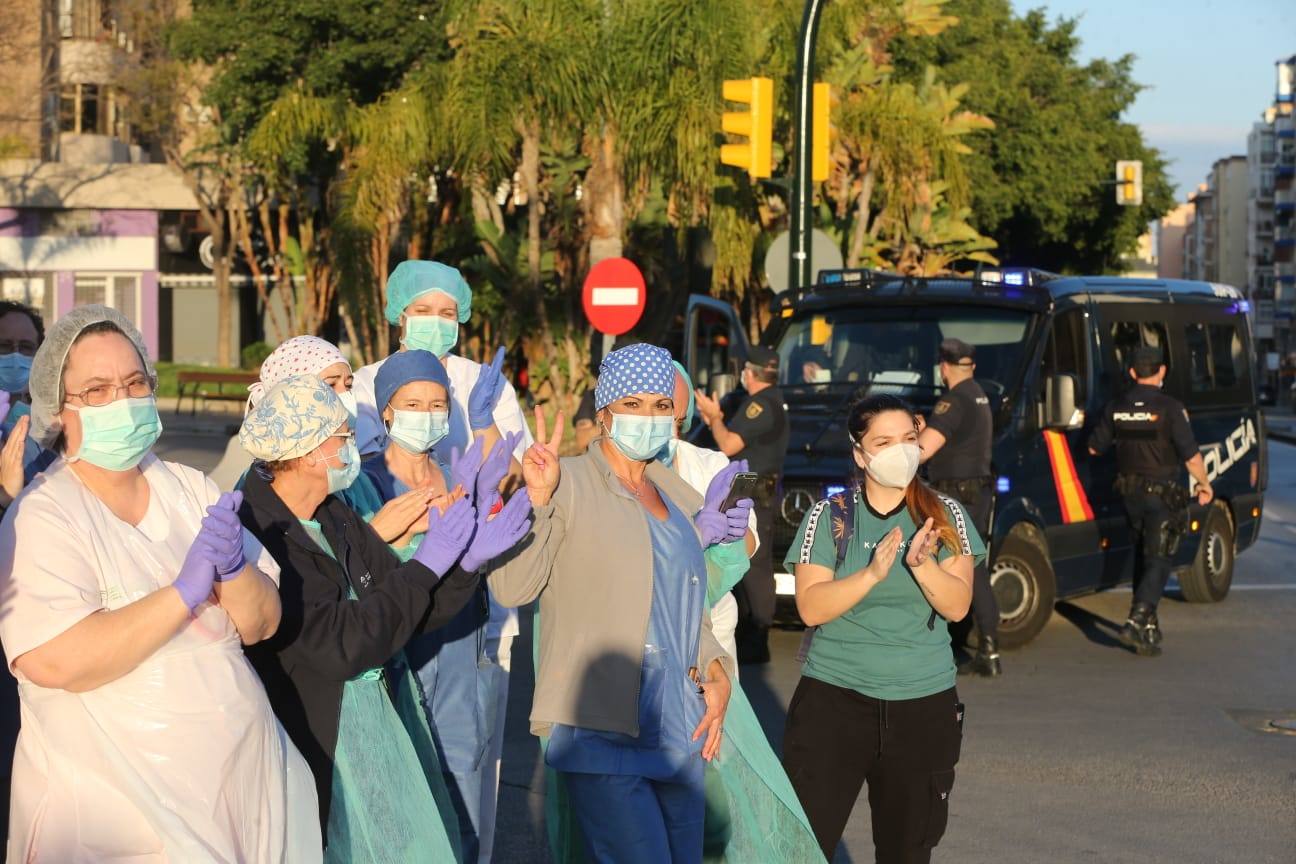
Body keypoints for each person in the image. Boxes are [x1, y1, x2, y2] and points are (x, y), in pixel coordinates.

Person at [0, 304, 320, 862]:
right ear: (60, 409)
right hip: (118, 818)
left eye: (133, 383)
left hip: (240, 791)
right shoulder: (43, 516)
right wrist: (181, 595)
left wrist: (235, 573)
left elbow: (263, 621)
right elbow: (54, 659)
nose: (121, 401)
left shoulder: (190, 489)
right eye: (97, 390)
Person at [235, 373, 533, 860]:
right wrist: (426, 563)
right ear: (309, 452)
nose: (354, 445)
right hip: (320, 740)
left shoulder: (333, 514)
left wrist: (465, 567)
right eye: (343, 438)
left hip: (378, 723)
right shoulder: (264, 532)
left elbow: (404, 606)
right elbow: (342, 645)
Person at [491, 342, 745, 864]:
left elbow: (683, 600)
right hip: (601, 725)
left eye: (659, 405)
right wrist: (537, 502)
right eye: (632, 404)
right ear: (604, 412)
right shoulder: (567, 483)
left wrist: (717, 667)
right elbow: (511, 589)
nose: (648, 418)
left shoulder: (673, 492)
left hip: (679, 722)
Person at [352, 259, 530, 862]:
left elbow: (508, 478)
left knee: (468, 770)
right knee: (398, 783)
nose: (435, 321)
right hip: (392, 634)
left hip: (467, 627)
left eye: (447, 312)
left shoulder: (483, 392)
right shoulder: (362, 400)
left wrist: (484, 434)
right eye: (422, 309)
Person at [782, 393, 984, 863]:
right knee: (801, 849)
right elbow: (811, 607)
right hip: (833, 705)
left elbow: (957, 606)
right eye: (885, 441)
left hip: (922, 706)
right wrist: (871, 574)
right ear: (860, 453)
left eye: (909, 439)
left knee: (906, 852)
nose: (902, 451)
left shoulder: (947, 515)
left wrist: (923, 566)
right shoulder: (831, 517)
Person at [1087, 345, 1213, 656]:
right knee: (1160, 557)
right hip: (1162, 496)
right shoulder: (1170, 408)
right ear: (1162, 371)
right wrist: (1204, 483)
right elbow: (1191, 455)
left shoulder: (1115, 406)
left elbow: (1094, 448)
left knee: (1143, 556)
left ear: (1131, 372)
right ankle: (1136, 619)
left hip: (1129, 495)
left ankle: (1148, 629)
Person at [694, 345, 790, 664]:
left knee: (757, 565)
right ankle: (753, 631)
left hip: (758, 493)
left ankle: (758, 634)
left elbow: (728, 443)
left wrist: (714, 418)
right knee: (753, 564)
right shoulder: (772, 400)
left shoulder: (760, 404)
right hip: (761, 490)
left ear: (749, 373)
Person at [917, 337, 1001, 677]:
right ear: (972, 366)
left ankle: (982, 646)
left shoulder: (952, 401)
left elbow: (924, 450)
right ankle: (988, 643)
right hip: (975, 492)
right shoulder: (978, 394)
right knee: (972, 565)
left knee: (959, 566)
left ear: (944, 367)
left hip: (956, 495)